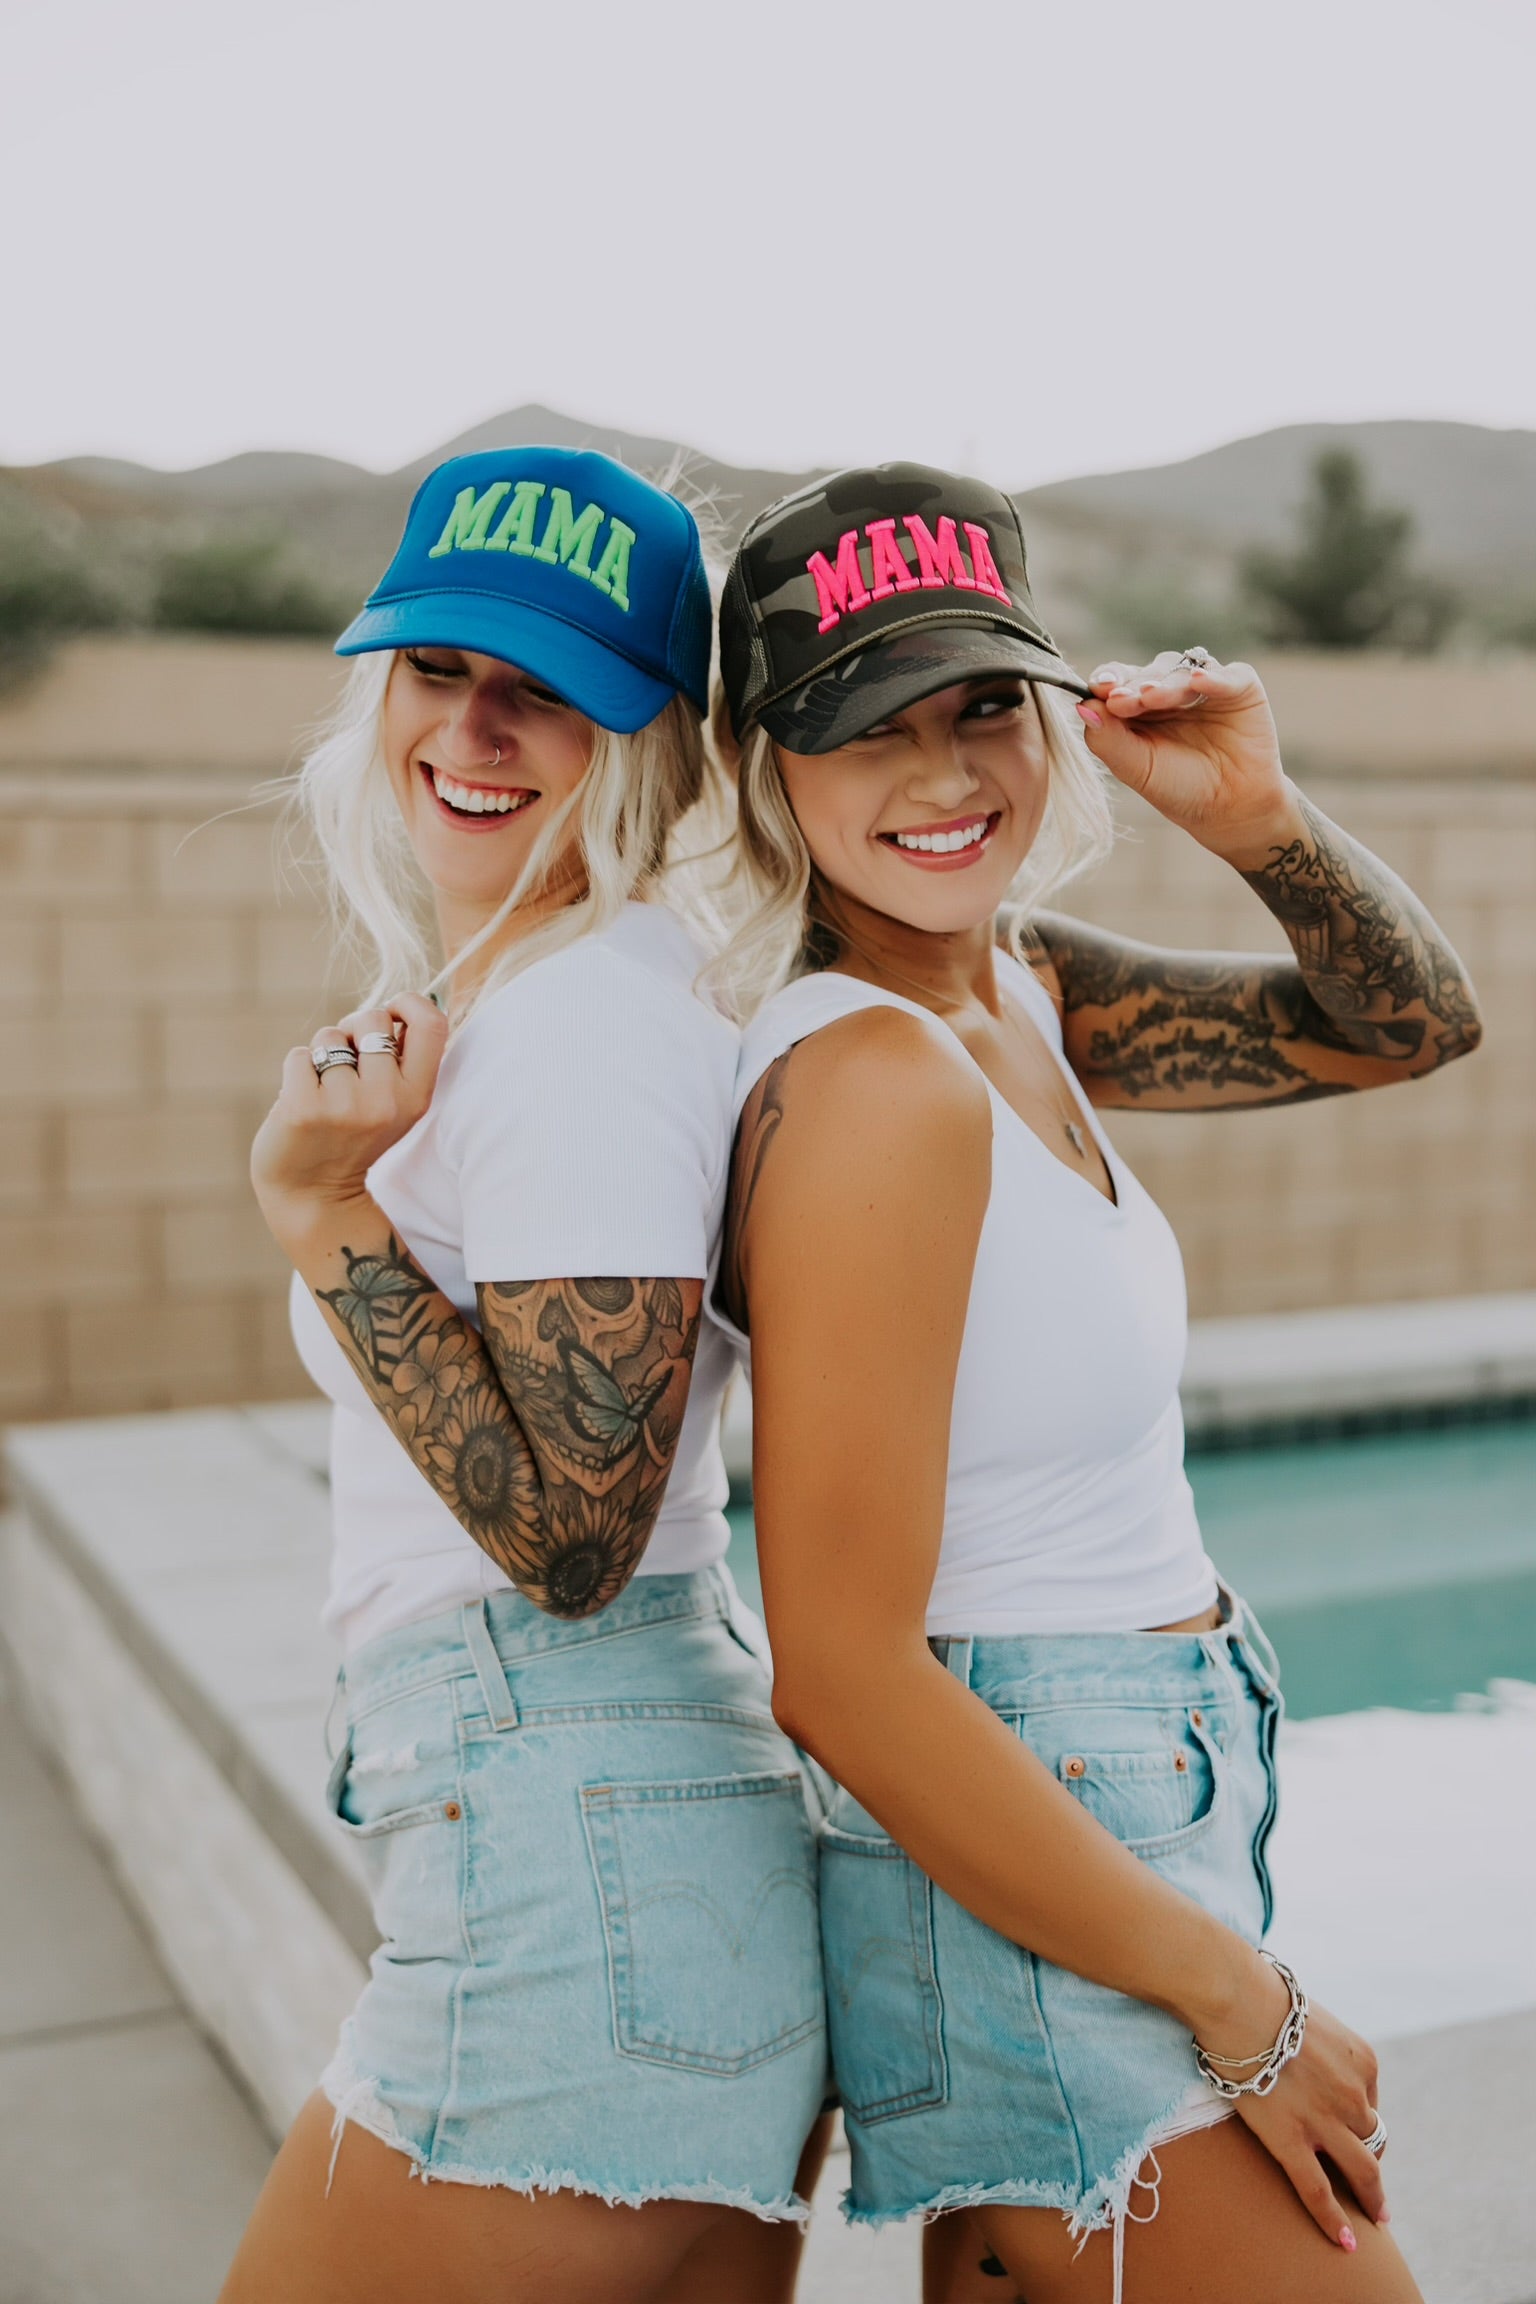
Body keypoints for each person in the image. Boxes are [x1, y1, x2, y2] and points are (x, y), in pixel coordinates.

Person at [711, 462, 1481, 2304]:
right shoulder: (880, 1080)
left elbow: (1406, 1026)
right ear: (765, 766)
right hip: (1052, 1835)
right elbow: (842, 1670)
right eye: (865, 726)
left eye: (985, 703)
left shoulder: (1019, 992)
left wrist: (1256, 811)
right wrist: (1242, 2003)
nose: (945, 772)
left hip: (1110, 1816)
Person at [220, 447, 829, 2304]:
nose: (475, 727)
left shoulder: (578, 1022)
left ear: (644, 738)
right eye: (435, 668)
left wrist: (323, 1208)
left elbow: (574, 1536)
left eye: (545, 688)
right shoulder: (541, 991)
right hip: (625, 1845)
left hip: (574, 1844)